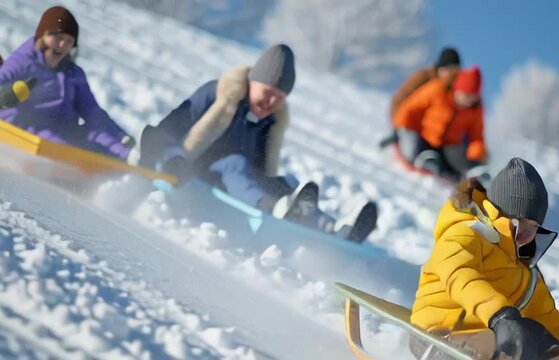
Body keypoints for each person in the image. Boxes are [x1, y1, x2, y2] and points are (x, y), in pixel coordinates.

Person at [134, 44, 377, 243]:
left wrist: (277, 185)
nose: (272, 101)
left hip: (239, 182)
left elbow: (260, 171)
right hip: (195, 171)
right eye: (268, 91)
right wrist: (174, 159)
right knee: (235, 164)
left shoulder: (268, 123)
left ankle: (334, 228)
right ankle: (275, 208)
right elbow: (168, 129)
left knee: (288, 184)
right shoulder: (215, 94)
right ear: (253, 82)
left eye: (279, 98)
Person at [410, 158, 559, 360]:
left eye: (532, 229)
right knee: (520, 336)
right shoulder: (464, 235)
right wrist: (499, 315)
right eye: (520, 224)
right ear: (501, 213)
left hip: (487, 339)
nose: (525, 235)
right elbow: (460, 277)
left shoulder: (522, 268)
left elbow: (546, 317)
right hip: (436, 340)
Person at [0, 6, 134, 160]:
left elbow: (92, 112)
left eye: (69, 41)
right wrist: (4, 94)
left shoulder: (73, 74)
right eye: (58, 38)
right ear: (43, 36)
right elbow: (3, 76)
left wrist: (120, 136)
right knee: (59, 143)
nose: (63, 45)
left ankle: (131, 162)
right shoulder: (24, 61)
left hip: (62, 133)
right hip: (25, 131)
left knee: (97, 136)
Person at [392, 66, 486, 180]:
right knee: (412, 147)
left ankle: (472, 173)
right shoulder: (437, 89)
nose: (468, 102)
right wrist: (400, 128)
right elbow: (411, 108)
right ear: (457, 89)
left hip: (448, 145)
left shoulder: (475, 109)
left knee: (458, 157)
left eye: (472, 98)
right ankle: (424, 160)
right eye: (465, 96)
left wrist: (476, 159)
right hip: (424, 136)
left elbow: (476, 136)